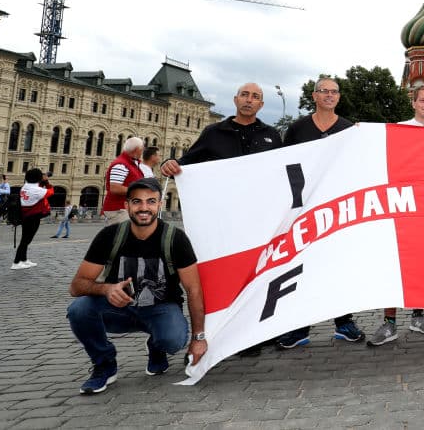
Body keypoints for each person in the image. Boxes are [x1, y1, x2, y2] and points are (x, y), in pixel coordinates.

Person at [160, 82, 282, 357]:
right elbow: (186, 164)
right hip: (222, 223)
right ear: (236, 99)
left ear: (261, 105)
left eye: (256, 97)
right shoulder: (213, 133)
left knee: (256, 277)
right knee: (226, 277)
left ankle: (251, 334)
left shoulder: (272, 136)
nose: (249, 100)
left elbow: (283, 172)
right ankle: (221, 331)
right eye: (245, 95)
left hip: (258, 222)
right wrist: (169, 163)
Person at [66, 177, 206, 394]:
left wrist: (199, 338)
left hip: (161, 309)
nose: (144, 208)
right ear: (126, 205)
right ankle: (104, 365)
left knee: (174, 340)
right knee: (79, 310)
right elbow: (76, 286)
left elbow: (194, 289)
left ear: (160, 205)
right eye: (137, 202)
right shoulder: (110, 236)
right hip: (118, 309)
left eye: (151, 202)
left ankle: (157, 346)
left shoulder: (175, 239)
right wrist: (106, 289)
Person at [275, 77, 365, 348]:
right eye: (323, 91)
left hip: (337, 209)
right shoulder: (298, 128)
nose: (328, 95)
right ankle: (300, 327)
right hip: (305, 209)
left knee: (338, 265)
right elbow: (283, 165)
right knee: (303, 266)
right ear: (314, 96)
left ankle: (343, 321)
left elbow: (358, 165)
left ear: (339, 97)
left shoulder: (349, 129)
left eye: (333, 92)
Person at [370, 87, 424, 346]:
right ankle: (389, 323)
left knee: (422, 263)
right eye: (421, 100)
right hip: (401, 206)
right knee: (394, 263)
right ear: (414, 104)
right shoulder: (399, 129)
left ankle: (418, 316)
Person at [12, 168, 52, 269]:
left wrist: (41, 180)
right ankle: (16, 262)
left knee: (25, 239)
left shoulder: (25, 186)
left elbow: (37, 186)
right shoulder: (37, 190)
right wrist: (46, 181)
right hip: (33, 217)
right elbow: (51, 191)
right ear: (38, 178)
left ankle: (24, 259)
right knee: (26, 240)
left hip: (26, 216)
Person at [102, 137, 146, 225]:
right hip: (119, 210)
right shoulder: (121, 165)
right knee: (122, 236)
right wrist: (138, 191)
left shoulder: (131, 163)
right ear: (136, 150)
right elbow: (115, 188)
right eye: (142, 149)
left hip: (126, 209)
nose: (143, 151)